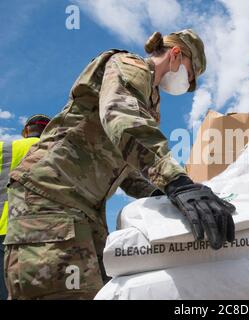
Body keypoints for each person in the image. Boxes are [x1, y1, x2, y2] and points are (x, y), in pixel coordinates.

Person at [4, 29, 236, 300]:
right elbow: (120, 115)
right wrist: (177, 181)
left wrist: (160, 194)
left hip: (84, 208)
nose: (188, 83)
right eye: (190, 74)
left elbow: (127, 165)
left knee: (99, 291)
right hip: (52, 196)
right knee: (63, 292)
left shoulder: (149, 99)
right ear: (175, 55)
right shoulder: (129, 65)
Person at [0, 115, 51, 300]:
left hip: (5, 231)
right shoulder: (60, 151)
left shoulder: (5, 148)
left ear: (26, 130)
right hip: (48, 234)